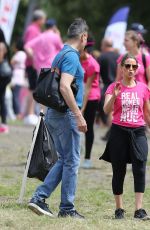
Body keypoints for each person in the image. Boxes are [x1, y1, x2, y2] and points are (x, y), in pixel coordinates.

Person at [28, 18, 88, 218]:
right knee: (72, 161)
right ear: (83, 37)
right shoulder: (72, 56)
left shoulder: (60, 54)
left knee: (65, 160)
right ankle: (66, 208)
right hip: (66, 114)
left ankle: (40, 198)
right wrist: (78, 115)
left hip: (55, 113)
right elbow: (64, 86)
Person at [100, 53, 150, 220]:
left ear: (137, 69)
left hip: (138, 131)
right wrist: (114, 95)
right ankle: (119, 209)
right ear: (121, 68)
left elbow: (147, 112)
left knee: (140, 167)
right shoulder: (113, 87)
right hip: (119, 131)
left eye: (134, 67)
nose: (130, 69)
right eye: (127, 66)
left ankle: (139, 210)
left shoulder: (143, 88)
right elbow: (106, 110)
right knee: (118, 170)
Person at [80, 37, 101, 168]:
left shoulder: (93, 64)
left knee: (88, 127)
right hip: (76, 95)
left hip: (91, 97)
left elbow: (87, 88)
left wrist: (82, 108)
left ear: (85, 49)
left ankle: (87, 158)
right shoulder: (76, 59)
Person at [23, 9, 46, 125]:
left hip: (33, 63)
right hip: (32, 63)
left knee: (33, 88)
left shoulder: (34, 29)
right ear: (39, 19)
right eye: (43, 19)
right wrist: (34, 61)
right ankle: (30, 113)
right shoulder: (33, 30)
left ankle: (30, 113)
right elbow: (29, 47)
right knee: (33, 88)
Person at [97, 38, 119, 140]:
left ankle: (111, 134)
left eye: (102, 45)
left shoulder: (101, 57)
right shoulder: (119, 56)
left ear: (105, 45)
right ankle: (111, 133)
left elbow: (97, 74)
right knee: (115, 111)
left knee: (109, 111)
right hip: (119, 86)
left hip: (107, 87)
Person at [11, 38, 27, 119]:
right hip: (21, 75)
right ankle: (18, 113)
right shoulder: (24, 54)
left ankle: (18, 113)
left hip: (17, 75)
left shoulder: (19, 54)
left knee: (15, 95)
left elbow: (12, 61)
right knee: (17, 95)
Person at [0, 42, 11, 133]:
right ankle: (3, 123)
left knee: (2, 100)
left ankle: (4, 123)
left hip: (3, 79)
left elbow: (7, 76)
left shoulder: (5, 67)